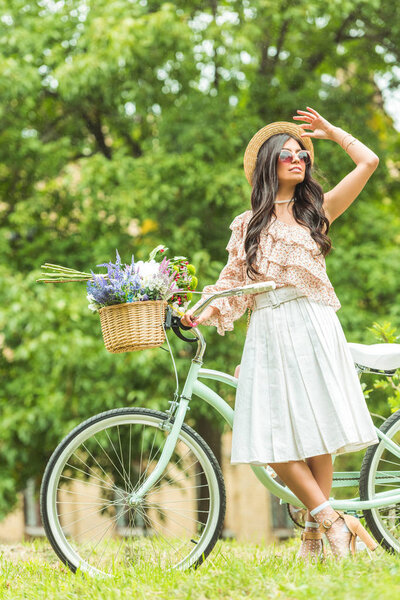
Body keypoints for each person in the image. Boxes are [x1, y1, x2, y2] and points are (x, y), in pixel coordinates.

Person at [182, 107, 380, 561]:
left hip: (313, 323)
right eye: (287, 154)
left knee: (317, 430)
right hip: (268, 329)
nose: (298, 160)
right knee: (268, 434)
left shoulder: (318, 212)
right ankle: (334, 521)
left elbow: (368, 163)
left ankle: (317, 538)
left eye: (302, 156)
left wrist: (332, 133)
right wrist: (199, 311)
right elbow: (232, 283)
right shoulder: (246, 223)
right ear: (267, 164)